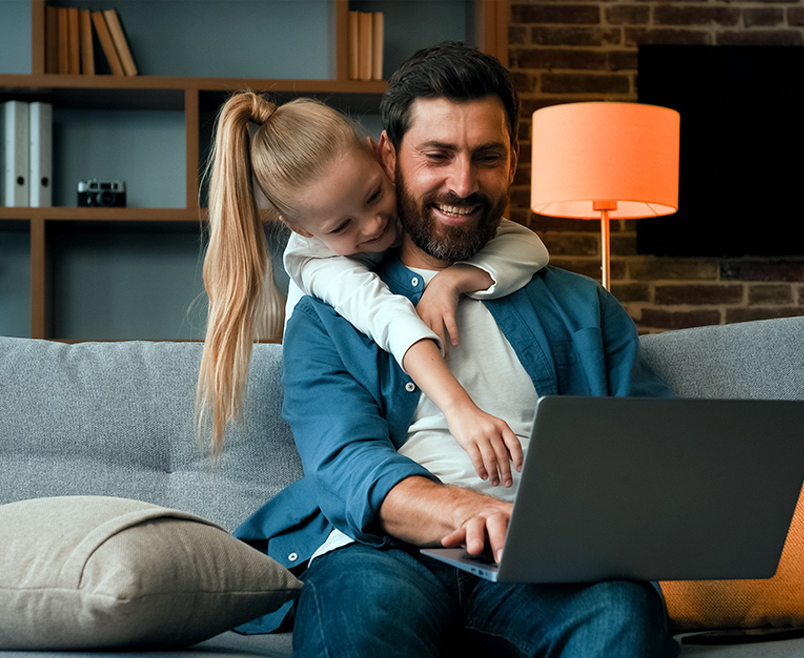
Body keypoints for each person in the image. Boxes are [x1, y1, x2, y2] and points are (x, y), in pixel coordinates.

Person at [235, 42, 680, 658]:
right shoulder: (330, 312)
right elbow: (345, 463)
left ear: (513, 162)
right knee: (357, 629)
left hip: (545, 558)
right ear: (386, 156)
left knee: (620, 614)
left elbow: (656, 444)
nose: (463, 184)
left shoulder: (583, 306)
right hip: (383, 554)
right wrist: (473, 510)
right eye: (437, 155)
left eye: (487, 157)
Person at [197, 91, 549, 487]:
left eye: (374, 195)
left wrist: (453, 280)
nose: (373, 225)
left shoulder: (407, 201)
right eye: (341, 227)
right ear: (303, 230)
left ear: (380, 155)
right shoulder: (315, 265)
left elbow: (527, 243)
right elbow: (390, 319)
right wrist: (460, 409)